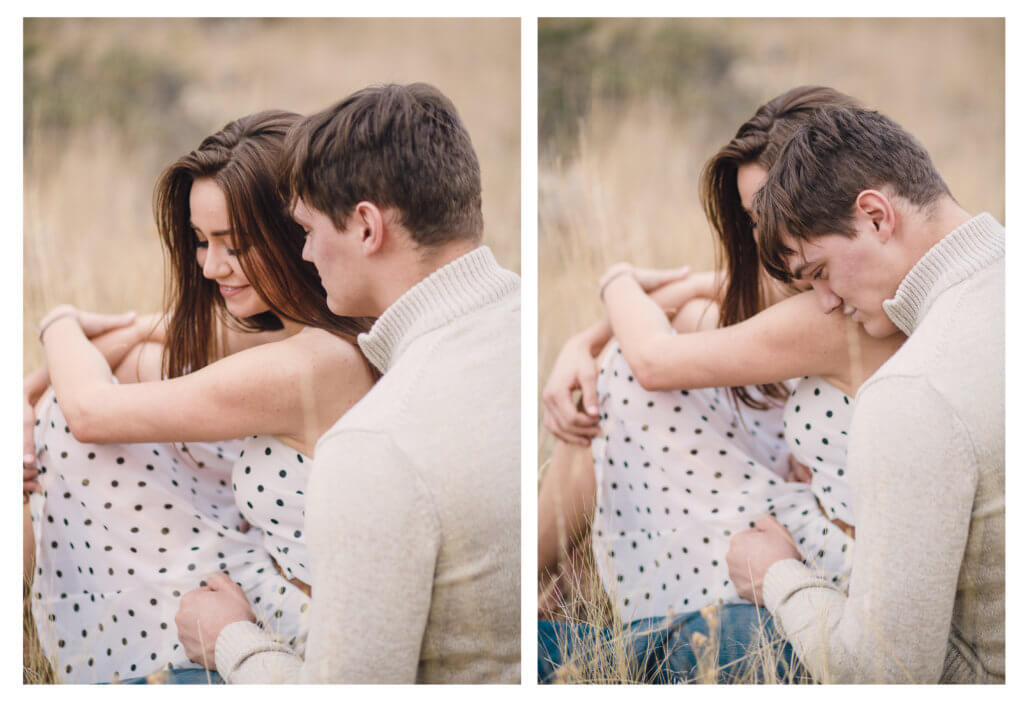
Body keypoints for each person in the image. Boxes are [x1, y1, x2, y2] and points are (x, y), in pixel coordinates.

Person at [537, 87, 904, 682]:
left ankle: (544, 591)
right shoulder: (825, 288)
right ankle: (558, 585)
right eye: (755, 217)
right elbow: (710, 292)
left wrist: (615, 279)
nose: (765, 235)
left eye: (774, 210)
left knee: (630, 377)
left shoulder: (832, 313)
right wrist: (582, 343)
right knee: (647, 354)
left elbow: (654, 359)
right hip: (815, 531)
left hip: (831, 569)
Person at [174, 83, 521, 683]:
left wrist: (229, 641)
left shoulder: (375, 443)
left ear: (366, 227)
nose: (303, 254)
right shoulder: (518, 326)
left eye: (306, 231)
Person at [26, 110, 376, 683]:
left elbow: (91, 412)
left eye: (233, 245)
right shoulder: (322, 325)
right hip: (272, 589)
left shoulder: (308, 365)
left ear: (294, 233)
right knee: (109, 382)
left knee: (69, 420)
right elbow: (152, 334)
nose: (212, 266)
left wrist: (58, 320)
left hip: (312, 639)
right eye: (199, 240)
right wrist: (21, 395)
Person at [727, 105, 1004, 683]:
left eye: (821, 270)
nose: (824, 300)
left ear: (876, 216)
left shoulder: (912, 391)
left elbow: (886, 676)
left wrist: (777, 575)